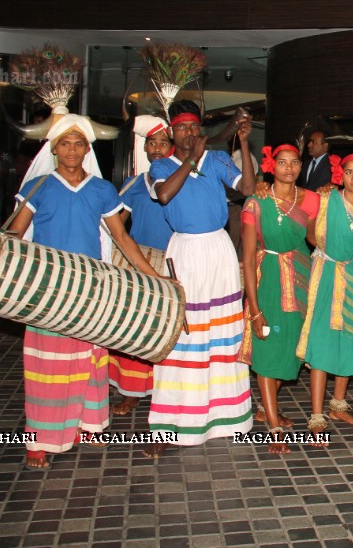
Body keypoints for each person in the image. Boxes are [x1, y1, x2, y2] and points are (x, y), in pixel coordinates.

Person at [0, 114, 159, 470]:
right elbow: (15, 235)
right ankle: (40, 440)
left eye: (78, 143)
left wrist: (155, 278)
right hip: (48, 288)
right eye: (64, 143)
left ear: (88, 149)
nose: (71, 150)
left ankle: (87, 426)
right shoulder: (38, 187)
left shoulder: (102, 190)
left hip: (89, 288)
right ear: (53, 148)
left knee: (88, 359)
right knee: (47, 366)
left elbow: (122, 239)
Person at [146, 100, 256, 458]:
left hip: (219, 251)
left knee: (222, 334)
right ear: (171, 133)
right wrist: (192, 159)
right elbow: (164, 195)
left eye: (194, 127)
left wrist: (241, 142)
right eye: (182, 128)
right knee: (184, 335)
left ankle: (227, 419)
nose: (189, 133)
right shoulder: (160, 165)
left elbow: (249, 189)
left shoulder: (218, 161)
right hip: (185, 254)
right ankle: (173, 425)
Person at [296, 153, 353, 444]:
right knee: (322, 341)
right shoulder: (324, 199)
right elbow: (310, 235)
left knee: (348, 338)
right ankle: (316, 415)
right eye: (349, 172)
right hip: (324, 274)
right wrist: (331, 251)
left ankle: (337, 406)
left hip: (351, 276)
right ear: (341, 175)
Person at [241, 143, 319, 454]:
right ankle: (273, 426)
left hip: (301, 276)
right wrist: (255, 310)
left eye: (294, 162)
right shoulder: (256, 202)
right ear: (272, 166)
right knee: (269, 348)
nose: (288, 168)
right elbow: (247, 258)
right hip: (270, 278)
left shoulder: (312, 199)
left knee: (291, 349)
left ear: (301, 166)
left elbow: (316, 238)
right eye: (282, 162)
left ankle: (266, 406)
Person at [108, 115, 174, 417]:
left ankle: (168, 392)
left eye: (163, 143)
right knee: (135, 327)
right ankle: (132, 393)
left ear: (172, 147)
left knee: (169, 328)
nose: (157, 148)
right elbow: (116, 227)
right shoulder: (134, 183)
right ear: (145, 149)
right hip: (139, 262)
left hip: (174, 261)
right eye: (152, 143)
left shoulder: (180, 179)